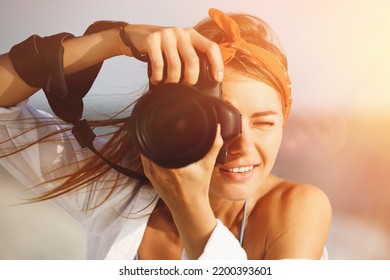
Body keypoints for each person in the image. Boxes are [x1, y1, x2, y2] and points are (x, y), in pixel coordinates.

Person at [0, 8, 331, 260]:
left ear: (284, 121)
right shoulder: (116, 189)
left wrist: (189, 206)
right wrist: (116, 39)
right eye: (222, 119)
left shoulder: (295, 208)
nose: (242, 146)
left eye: (264, 123)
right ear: (178, 118)